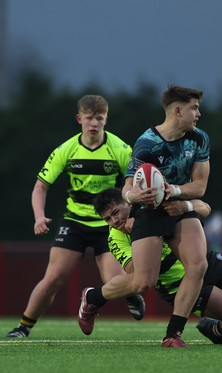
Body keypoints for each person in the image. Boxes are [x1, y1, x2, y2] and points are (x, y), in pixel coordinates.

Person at [78, 85, 210, 348]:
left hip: (178, 207)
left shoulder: (199, 138)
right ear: (177, 110)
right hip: (149, 211)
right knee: (142, 282)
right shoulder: (147, 142)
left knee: (199, 266)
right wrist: (131, 197)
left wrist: (174, 191)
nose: (198, 114)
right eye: (194, 108)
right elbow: (128, 187)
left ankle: (173, 334)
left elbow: (200, 187)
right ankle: (93, 298)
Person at [5, 95, 145, 338]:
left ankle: (130, 293)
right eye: (89, 118)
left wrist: (132, 214)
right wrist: (39, 217)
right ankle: (23, 327)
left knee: (114, 280)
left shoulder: (121, 149)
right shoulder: (66, 149)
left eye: (99, 118)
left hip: (108, 224)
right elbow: (41, 186)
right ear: (79, 119)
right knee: (54, 277)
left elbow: (136, 184)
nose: (94, 123)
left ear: (106, 120)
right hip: (74, 222)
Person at [87, 187, 222, 344]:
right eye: (108, 219)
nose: (114, 221)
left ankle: (218, 324)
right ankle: (216, 331)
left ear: (128, 202)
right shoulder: (115, 237)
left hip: (206, 262)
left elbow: (204, 207)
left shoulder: (155, 205)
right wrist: (145, 238)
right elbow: (137, 274)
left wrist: (184, 206)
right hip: (179, 285)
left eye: (115, 213)